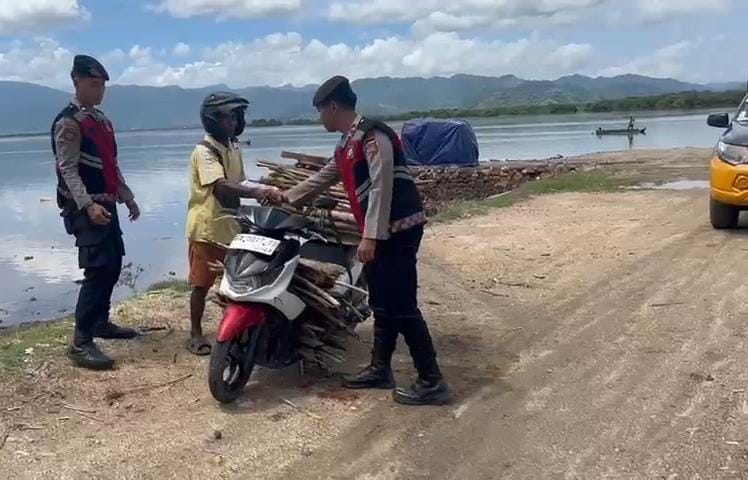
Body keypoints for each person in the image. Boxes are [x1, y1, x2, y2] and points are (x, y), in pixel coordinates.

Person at [269, 76, 449, 406]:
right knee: (382, 301)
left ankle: (431, 380)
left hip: (398, 231)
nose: (319, 119)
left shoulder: (373, 136)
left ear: (333, 107)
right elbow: (324, 178)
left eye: (320, 111)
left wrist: (369, 236)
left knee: (402, 305)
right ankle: (380, 369)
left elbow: (381, 188)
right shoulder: (347, 144)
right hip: (383, 233)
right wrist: (286, 196)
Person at [52, 55, 141, 370]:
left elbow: (110, 165)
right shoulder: (69, 122)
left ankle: (100, 322)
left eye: (102, 85)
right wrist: (88, 205)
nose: (99, 90)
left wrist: (127, 197)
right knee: (97, 268)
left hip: (107, 203)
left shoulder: (101, 121)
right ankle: (80, 342)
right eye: (93, 84)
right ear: (76, 82)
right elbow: (67, 169)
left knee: (113, 263)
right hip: (83, 207)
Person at [185, 92, 277, 355]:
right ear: (212, 119)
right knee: (201, 283)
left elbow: (240, 180)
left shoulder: (233, 147)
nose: (232, 122)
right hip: (207, 228)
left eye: (235, 117)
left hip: (231, 226)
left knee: (236, 280)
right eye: (227, 117)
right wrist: (255, 192)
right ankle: (195, 333)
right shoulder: (205, 151)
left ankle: (237, 325)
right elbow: (221, 186)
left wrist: (265, 186)